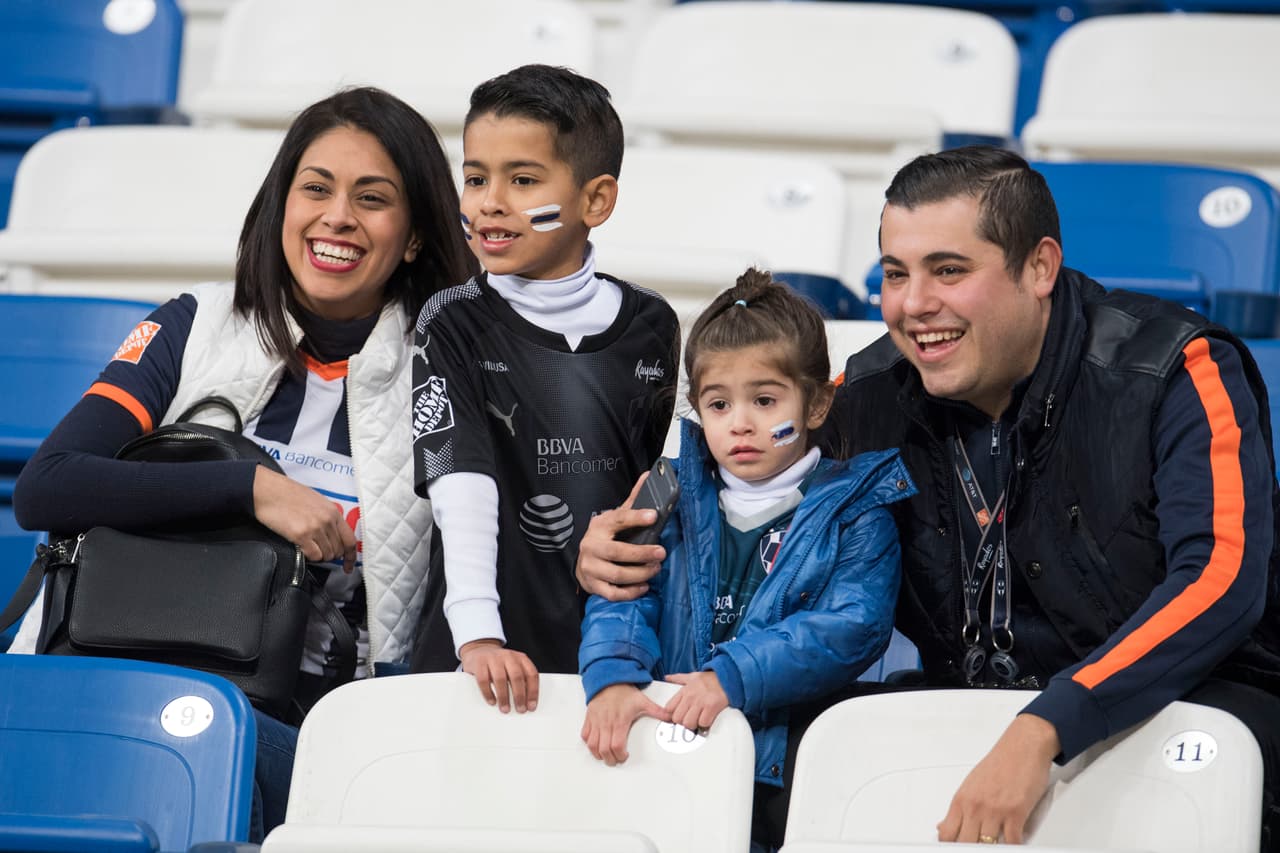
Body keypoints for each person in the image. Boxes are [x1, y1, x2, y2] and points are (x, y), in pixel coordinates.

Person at [576, 146, 1280, 849]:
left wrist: (1048, 724)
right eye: (894, 274)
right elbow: (732, 474)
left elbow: (1218, 581)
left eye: (949, 270)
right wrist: (618, 547)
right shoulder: (867, 392)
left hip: (1180, 708)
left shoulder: (1176, 368)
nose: (913, 305)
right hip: (961, 719)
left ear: (1039, 267)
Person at [11, 86, 477, 841]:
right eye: (316, 188)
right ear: (281, 204)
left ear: (416, 236)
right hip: (110, 681)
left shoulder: (447, 382)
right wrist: (250, 489)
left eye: (372, 198)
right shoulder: (192, 326)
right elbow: (49, 484)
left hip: (312, 738)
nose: (337, 217)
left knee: (222, 749)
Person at [578, 269, 913, 850]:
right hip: (670, 761)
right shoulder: (665, 493)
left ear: (816, 403)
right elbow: (623, 594)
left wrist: (732, 676)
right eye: (718, 404)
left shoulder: (857, 509)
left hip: (789, 777)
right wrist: (612, 677)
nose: (740, 423)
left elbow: (853, 626)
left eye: (764, 400)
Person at [409, 64, 680, 714]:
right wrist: (478, 634)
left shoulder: (654, 325)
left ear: (596, 201)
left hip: (610, 657)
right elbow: (460, 484)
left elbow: (652, 497)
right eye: (476, 177)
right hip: (481, 659)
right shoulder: (451, 320)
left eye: (523, 180)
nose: (489, 202)